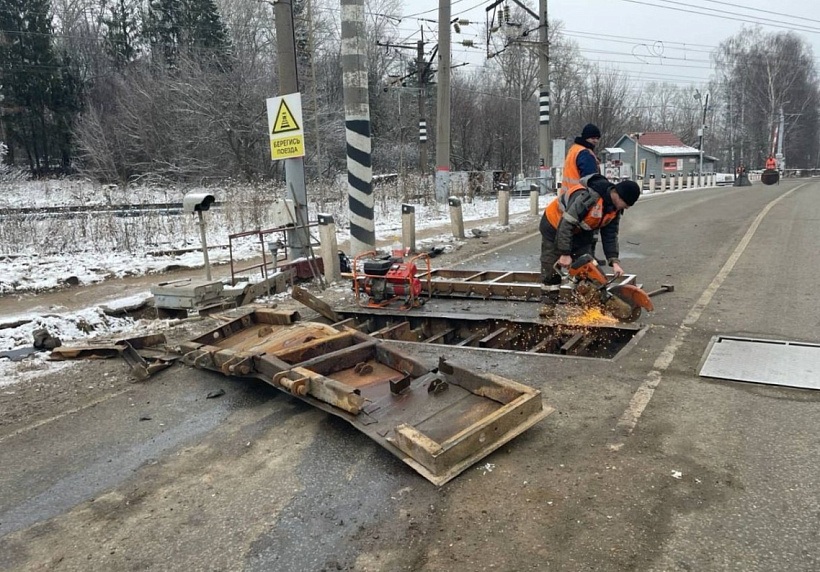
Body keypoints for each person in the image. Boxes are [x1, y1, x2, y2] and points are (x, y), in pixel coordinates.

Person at [539, 173, 641, 312]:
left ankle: (588, 305)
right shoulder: (588, 198)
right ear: (617, 195)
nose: (626, 208)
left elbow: (610, 235)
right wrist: (564, 253)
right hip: (555, 226)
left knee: (587, 269)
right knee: (551, 268)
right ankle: (548, 305)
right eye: (626, 204)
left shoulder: (615, 209)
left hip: (581, 232)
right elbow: (566, 224)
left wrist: (614, 261)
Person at [560, 123, 602, 198]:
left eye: (597, 138)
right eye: (593, 138)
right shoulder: (585, 153)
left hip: (567, 196)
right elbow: (591, 180)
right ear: (586, 137)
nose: (595, 141)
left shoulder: (574, 149)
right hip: (580, 197)